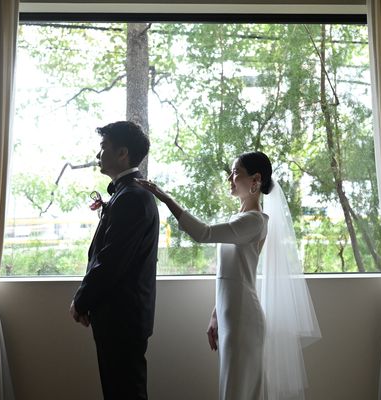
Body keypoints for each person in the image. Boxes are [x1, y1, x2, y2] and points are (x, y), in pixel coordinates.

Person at [137, 151, 321, 400]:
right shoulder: (241, 219)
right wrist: (216, 314)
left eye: (236, 173)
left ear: (255, 180)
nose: (230, 178)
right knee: (233, 389)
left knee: (237, 391)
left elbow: (203, 233)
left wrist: (165, 197)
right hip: (231, 316)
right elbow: (232, 274)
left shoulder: (255, 222)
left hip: (244, 319)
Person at [70, 121, 159, 400]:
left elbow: (111, 260)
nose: (98, 154)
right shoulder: (129, 193)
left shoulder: (132, 197)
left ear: (122, 153)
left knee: (125, 393)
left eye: (103, 147)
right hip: (121, 316)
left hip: (122, 318)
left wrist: (82, 300)